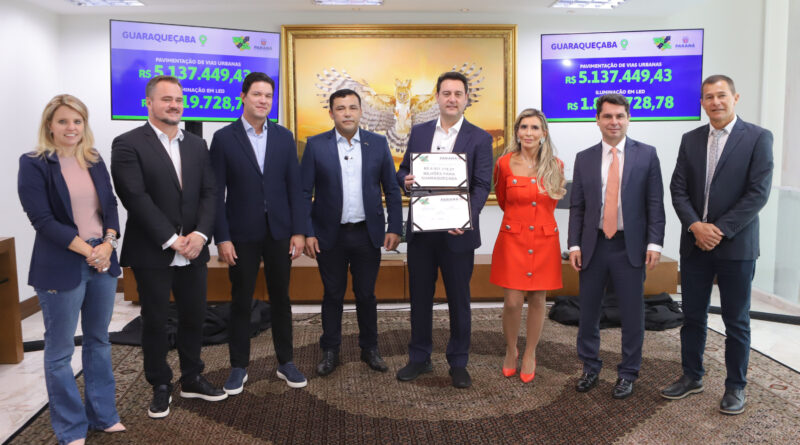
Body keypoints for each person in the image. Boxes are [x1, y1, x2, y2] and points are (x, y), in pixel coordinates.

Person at [111, 75, 225, 419]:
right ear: (149, 103)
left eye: (178, 99)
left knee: (194, 316)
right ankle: (160, 384)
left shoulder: (197, 145)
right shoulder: (127, 143)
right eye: (166, 99)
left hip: (194, 249)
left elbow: (210, 193)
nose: (174, 105)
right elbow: (135, 197)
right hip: (153, 250)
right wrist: (172, 240)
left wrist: (200, 235)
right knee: (156, 321)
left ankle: (192, 378)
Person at [663, 75, 773, 415]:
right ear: (702, 103)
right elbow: (678, 189)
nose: (716, 102)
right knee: (692, 316)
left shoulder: (758, 138)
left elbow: (758, 193)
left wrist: (719, 230)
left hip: (736, 246)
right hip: (695, 243)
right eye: (709, 97)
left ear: (735, 98)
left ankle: (735, 386)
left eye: (722, 95)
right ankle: (692, 376)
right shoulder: (690, 139)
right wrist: (696, 226)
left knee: (736, 320)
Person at [18, 94, 125, 445]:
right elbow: (42, 219)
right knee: (60, 351)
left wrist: (108, 243)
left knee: (99, 341)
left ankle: (104, 416)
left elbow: (110, 205)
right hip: (62, 264)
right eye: (63, 121)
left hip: (101, 260)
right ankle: (70, 427)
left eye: (77, 121)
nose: (71, 127)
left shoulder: (93, 158)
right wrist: (88, 250)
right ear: (50, 124)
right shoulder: (34, 163)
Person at [209, 72, 307, 393]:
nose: (263, 100)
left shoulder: (284, 137)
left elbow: (295, 188)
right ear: (243, 97)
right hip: (240, 234)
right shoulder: (224, 138)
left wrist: (299, 231)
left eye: (268, 96)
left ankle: (286, 362)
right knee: (241, 300)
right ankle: (238, 366)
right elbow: (216, 193)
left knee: (282, 298)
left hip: (280, 232)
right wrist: (222, 237)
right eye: (257, 94)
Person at [395, 71, 493, 389]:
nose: (452, 99)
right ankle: (419, 357)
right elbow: (403, 170)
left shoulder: (480, 138)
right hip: (422, 234)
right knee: (419, 298)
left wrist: (465, 218)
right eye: (446, 93)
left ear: (466, 99)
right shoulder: (420, 132)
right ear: (437, 97)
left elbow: (482, 185)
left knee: (459, 300)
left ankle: (458, 361)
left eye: (458, 94)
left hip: (458, 234)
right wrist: (405, 180)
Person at [568, 94, 665, 399]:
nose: (614, 122)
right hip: (594, 245)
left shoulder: (647, 155)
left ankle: (628, 373)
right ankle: (590, 367)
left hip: (630, 246)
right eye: (608, 116)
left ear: (628, 118)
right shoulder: (584, 158)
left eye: (620, 116)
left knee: (632, 315)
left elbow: (655, 203)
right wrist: (574, 245)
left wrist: (654, 243)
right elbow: (578, 206)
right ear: (597, 120)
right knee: (588, 312)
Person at [301, 88, 403, 376]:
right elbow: (303, 192)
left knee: (366, 294)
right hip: (328, 235)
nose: (347, 113)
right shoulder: (316, 145)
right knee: (332, 294)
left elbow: (391, 189)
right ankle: (330, 350)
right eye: (341, 108)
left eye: (352, 108)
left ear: (361, 111)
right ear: (331, 113)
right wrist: (307, 231)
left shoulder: (377, 143)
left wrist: (395, 227)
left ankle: (370, 348)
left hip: (366, 234)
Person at [490, 108, 565, 383]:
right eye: (524, 127)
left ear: (543, 133)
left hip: (544, 239)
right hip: (513, 238)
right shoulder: (504, 163)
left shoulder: (556, 165)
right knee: (512, 301)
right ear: (517, 132)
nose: (529, 133)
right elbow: (502, 200)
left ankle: (530, 353)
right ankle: (511, 350)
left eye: (534, 128)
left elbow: (551, 204)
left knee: (537, 299)